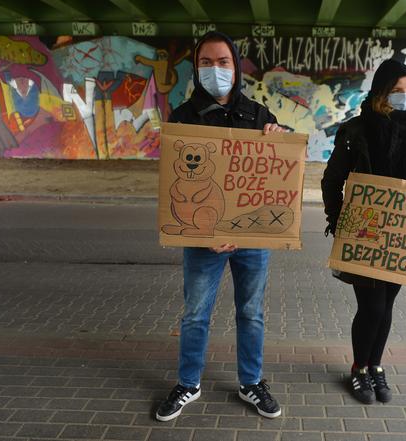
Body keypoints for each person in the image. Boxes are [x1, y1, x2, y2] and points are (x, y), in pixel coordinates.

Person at [155, 31, 284, 422]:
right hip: (201, 240)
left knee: (251, 312)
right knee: (195, 313)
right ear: (196, 68)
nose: (215, 70)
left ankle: (251, 382)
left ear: (236, 66)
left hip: (251, 240)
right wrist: (204, 233)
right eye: (206, 63)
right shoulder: (182, 119)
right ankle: (188, 382)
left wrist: (278, 140)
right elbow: (172, 180)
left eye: (223, 62)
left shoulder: (260, 116)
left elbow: (273, 177)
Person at [321, 59, 406, 404]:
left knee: (387, 305)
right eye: (396, 91)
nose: (404, 97)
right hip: (365, 232)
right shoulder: (357, 130)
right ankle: (359, 369)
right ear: (381, 94)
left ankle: (375, 366)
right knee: (371, 306)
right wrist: (337, 218)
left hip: (402, 235)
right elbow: (332, 179)